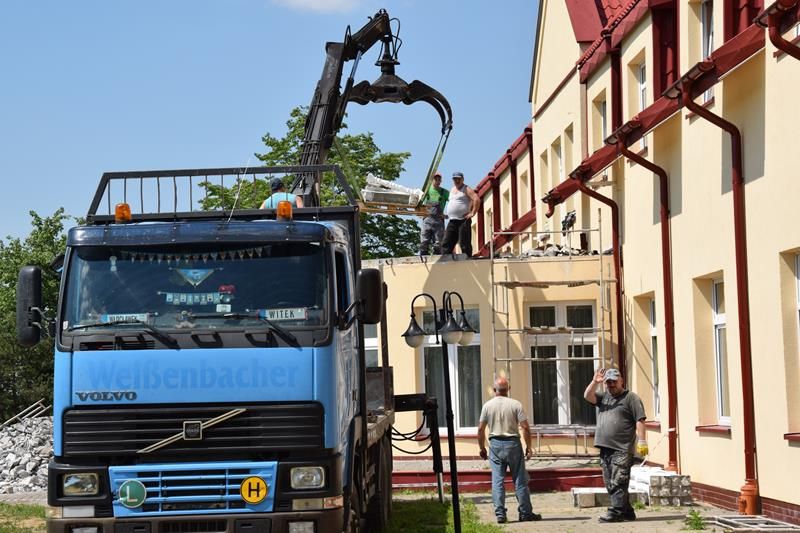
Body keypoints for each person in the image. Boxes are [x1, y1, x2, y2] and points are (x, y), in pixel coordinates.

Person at [583, 367, 648, 523]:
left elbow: (640, 420)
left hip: (622, 448)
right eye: (608, 382)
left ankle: (616, 512)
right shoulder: (604, 397)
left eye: (614, 382)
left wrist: (642, 440)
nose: (611, 385)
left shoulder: (631, 398)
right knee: (609, 482)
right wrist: (594, 382)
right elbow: (587, 396)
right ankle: (627, 511)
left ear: (621, 381)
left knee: (618, 481)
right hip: (605, 448)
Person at [477, 377, 542, 524]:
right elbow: (525, 427)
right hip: (513, 444)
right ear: (508, 389)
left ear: (494, 390)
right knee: (520, 480)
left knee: (497, 480)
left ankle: (500, 514)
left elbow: (480, 429)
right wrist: (529, 447)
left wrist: (482, 448)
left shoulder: (487, 406)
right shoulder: (515, 404)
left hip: (495, 444)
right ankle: (525, 513)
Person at [441, 172, 479, 257]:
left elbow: (476, 199)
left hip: (463, 220)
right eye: (455, 179)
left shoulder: (466, 189)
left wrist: (472, 212)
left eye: (458, 179)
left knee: (464, 242)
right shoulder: (452, 190)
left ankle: (467, 259)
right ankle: (445, 260)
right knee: (447, 242)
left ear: (462, 179)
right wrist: (447, 214)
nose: (457, 180)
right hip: (452, 220)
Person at [419, 171, 449, 255]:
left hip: (438, 221)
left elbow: (455, 202)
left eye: (439, 179)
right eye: (435, 179)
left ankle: (437, 260)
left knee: (438, 243)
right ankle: (423, 259)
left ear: (441, 181)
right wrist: (421, 213)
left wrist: (448, 215)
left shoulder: (444, 192)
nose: (437, 181)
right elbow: (418, 202)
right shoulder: (426, 191)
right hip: (427, 220)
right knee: (424, 242)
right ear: (432, 180)